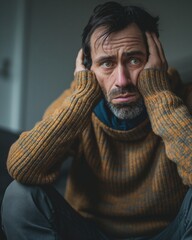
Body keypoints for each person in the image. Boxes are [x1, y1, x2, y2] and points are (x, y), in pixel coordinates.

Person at [1, 1, 192, 239]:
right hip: (89, 233)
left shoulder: (183, 98)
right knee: (19, 197)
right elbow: (21, 167)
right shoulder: (75, 104)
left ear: (156, 58)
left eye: (134, 60)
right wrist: (82, 100)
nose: (121, 80)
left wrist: (157, 95)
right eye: (106, 63)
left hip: (169, 233)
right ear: (89, 68)